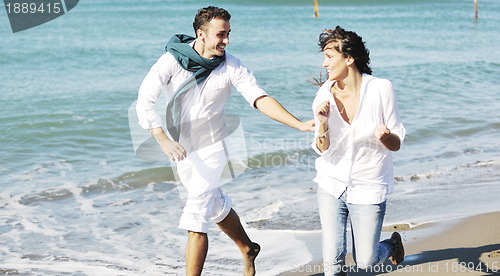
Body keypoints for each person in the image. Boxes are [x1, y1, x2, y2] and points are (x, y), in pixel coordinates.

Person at [136, 6, 314, 276]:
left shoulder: (231, 65)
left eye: (229, 34)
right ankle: (248, 247)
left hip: (212, 148)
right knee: (214, 203)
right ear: (201, 34)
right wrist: (162, 140)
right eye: (221, 34)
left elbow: (259, 98)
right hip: (181, 148)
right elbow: (145, 102)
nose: (227, 40)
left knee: (196, 216)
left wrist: (298, 123)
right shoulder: (171, 61)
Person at [311, 26, 406, 275]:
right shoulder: (324, 95)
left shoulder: (381, 89)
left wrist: (386, 136)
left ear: (349, 58)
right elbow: (322, 149)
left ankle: (392, 244)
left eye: (329, 57)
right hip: (331, 182)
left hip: (368, 183)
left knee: (365, 261)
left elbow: (397, 143)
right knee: (332, 267)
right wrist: (322, 122)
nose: (324, 64)